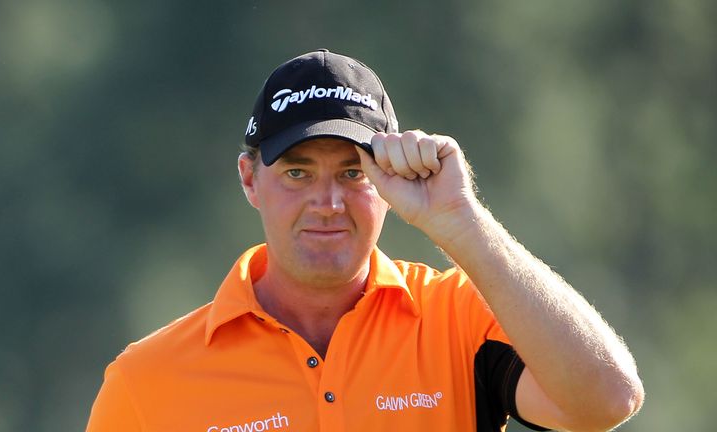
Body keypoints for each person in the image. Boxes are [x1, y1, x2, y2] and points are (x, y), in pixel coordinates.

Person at [87, 49, 644, 432]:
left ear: (390, 179)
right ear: (249, 178)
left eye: (353, 173)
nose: (327, 203)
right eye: (298, 173)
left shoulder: (459, 319)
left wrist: (461, 219)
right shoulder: (146, 382)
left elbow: (607, 401)